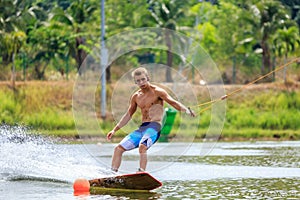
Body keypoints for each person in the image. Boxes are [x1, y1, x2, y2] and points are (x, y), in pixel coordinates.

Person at [106, 67, 195, 172]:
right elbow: (128, 115)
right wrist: (114, 130)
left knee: (142, 146)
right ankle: (112, 175)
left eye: (143, 79)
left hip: (154, 127)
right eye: (138, 81)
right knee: (118, 148)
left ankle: (141, 172)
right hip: (142, 128)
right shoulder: (136, 96)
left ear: (148, 78)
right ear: (135, 82)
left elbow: (173, 102)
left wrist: (186, 110)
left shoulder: (158, 92)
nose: (141, 82)